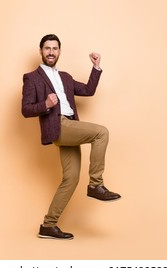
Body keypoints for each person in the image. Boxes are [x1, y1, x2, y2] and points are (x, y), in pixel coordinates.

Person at [21, 34, 121, 240]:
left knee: (71, 179)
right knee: (101, 132)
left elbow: (87, 90)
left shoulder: (65, 77)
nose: (51, 52)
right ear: (41, 51)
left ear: (59, 51)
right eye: (47, 48)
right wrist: (46, 105)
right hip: (58, 125)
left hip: (71, 125)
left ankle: (48, 226)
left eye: (54, 48)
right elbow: (25, 109)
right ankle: (95, 184)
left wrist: (96, 67)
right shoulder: (31, 77)